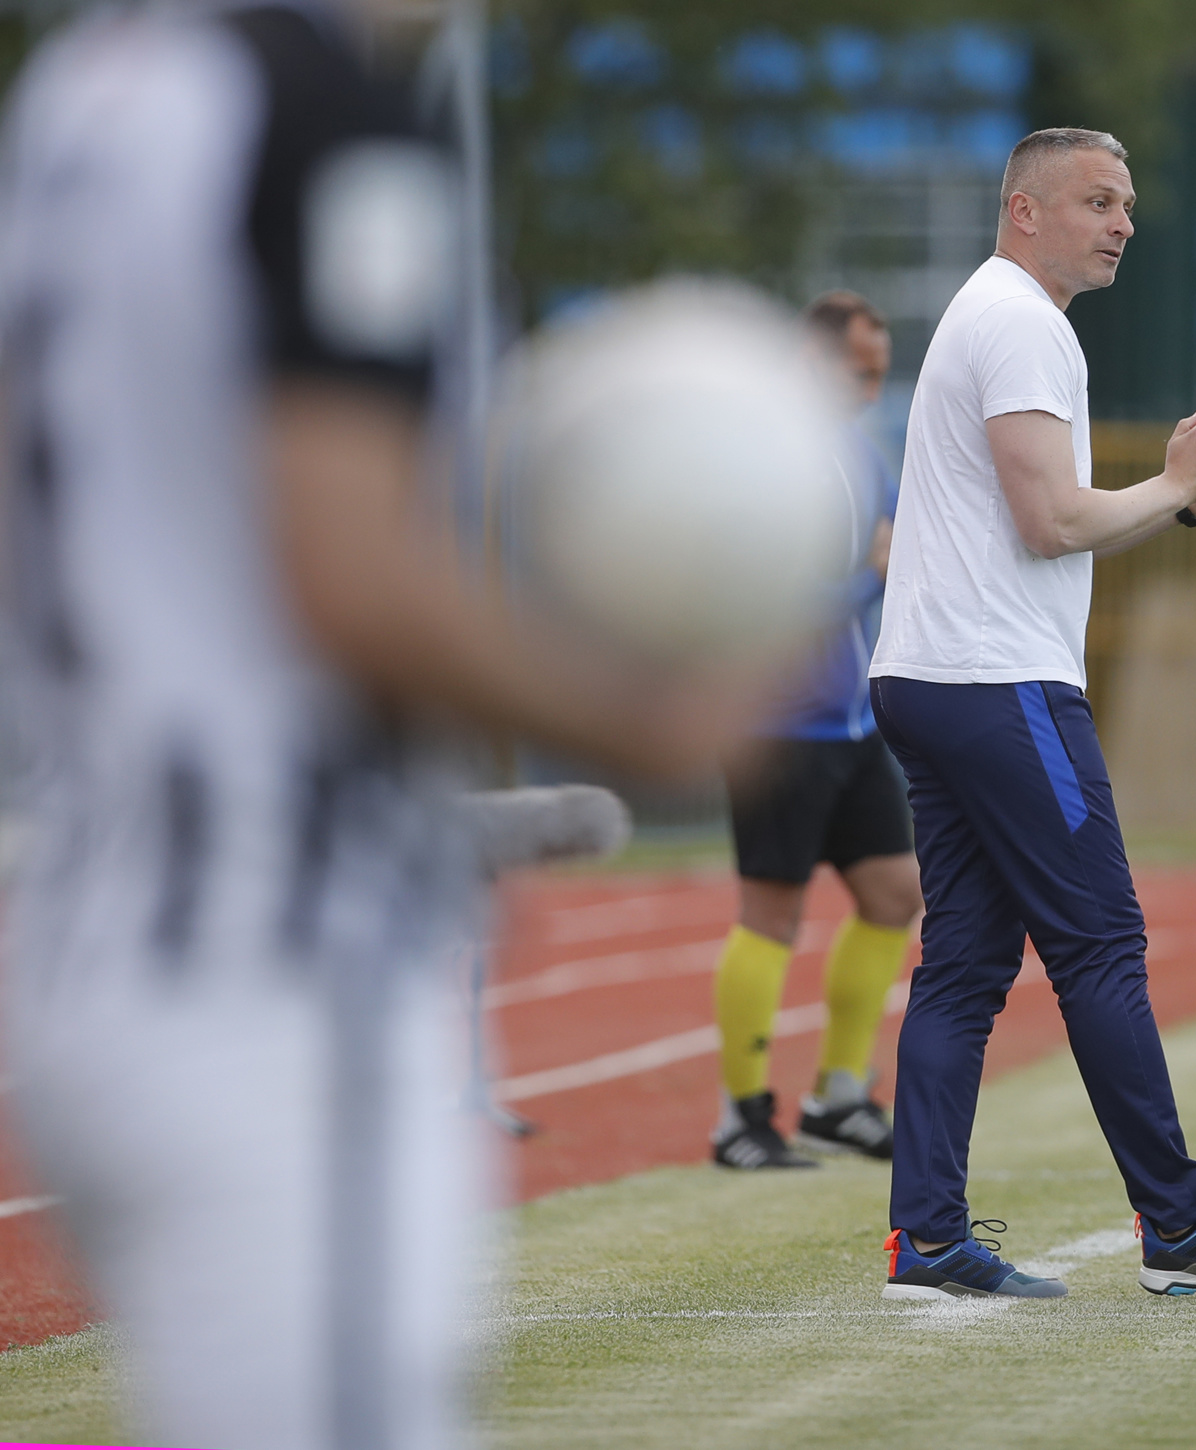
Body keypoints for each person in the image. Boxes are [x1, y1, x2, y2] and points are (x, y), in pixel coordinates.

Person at [0, 3, 751, 1445]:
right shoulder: (332, 119)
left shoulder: (88, 89)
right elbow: (346, 576)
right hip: (274, 969)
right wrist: (641, 711)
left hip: (96, 933)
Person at [867, 127, 1196, 1301]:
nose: (1123, 220)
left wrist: (1180, 504)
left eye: (1126, 202)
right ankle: (1180, 1227)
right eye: (1097, 199)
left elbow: (1051, 512)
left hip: (937, 675)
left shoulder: (1001, 312)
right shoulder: (1022, 321)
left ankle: (926, 1243)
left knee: (964, 968)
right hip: (996, 685)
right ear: (1025, 210)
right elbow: (1048, 525)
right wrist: (1175, 482)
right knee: (1102, 948)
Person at [709, 291, 922, 1170]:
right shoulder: (761, 454)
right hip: (774, 722)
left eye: (880, 374)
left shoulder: (863, 454)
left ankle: (840, 1094)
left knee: (895, 894)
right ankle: (742, 1117)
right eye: (859, 372)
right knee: (772, 914)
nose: (873, 390)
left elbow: (901, 544)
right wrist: (868, 577)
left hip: (848, 718)